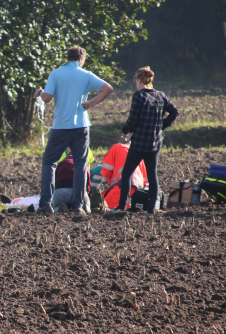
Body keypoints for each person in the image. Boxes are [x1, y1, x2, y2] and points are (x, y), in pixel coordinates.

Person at [34, 47, 114, 215]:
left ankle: (45, 204)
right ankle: (78, 206)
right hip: (81, 126)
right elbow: (108, 89)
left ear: (68, 58)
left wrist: (40, 92)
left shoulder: (56, 73)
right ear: (80, 59)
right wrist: (91, 103)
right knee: (80, 165)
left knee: (49, 163)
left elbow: (47, 98)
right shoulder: (86, 75)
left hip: (61, 126)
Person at [107, 66, 179, 216]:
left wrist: (125, 130)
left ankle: (121, 207)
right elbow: (174, 112)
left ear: (139, 80)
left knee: (127, 173)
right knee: (152, 175)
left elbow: (133, 118)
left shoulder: (139, 96)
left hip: (139, 143)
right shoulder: (160, 96)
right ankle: (151, 209)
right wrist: (162, 126)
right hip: (155, 143)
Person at [92, 135, 148, 210]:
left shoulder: (116, 147)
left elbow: (106, 173)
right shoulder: (138, 155)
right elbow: (146, 182)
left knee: (103, 207)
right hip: (139, 194)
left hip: (120, 189)